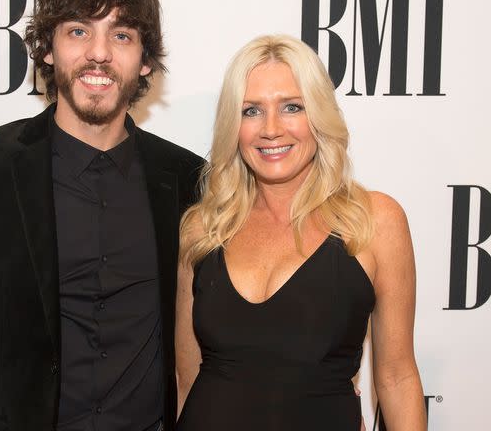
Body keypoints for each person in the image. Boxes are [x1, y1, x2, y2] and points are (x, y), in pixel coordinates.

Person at [0, 0, 203, 431]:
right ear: (47, 49)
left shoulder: (186, 179)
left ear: (145, 59)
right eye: (78, 31)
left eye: (121, 35)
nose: (98, 53)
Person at [175, 35, 427, 430]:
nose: (271, 129)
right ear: (232, 125)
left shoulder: (375, 221)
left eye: (292, 107)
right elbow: (187, 379)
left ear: (319, 116)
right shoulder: (203, 227)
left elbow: (397, 377)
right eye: (251, 110)